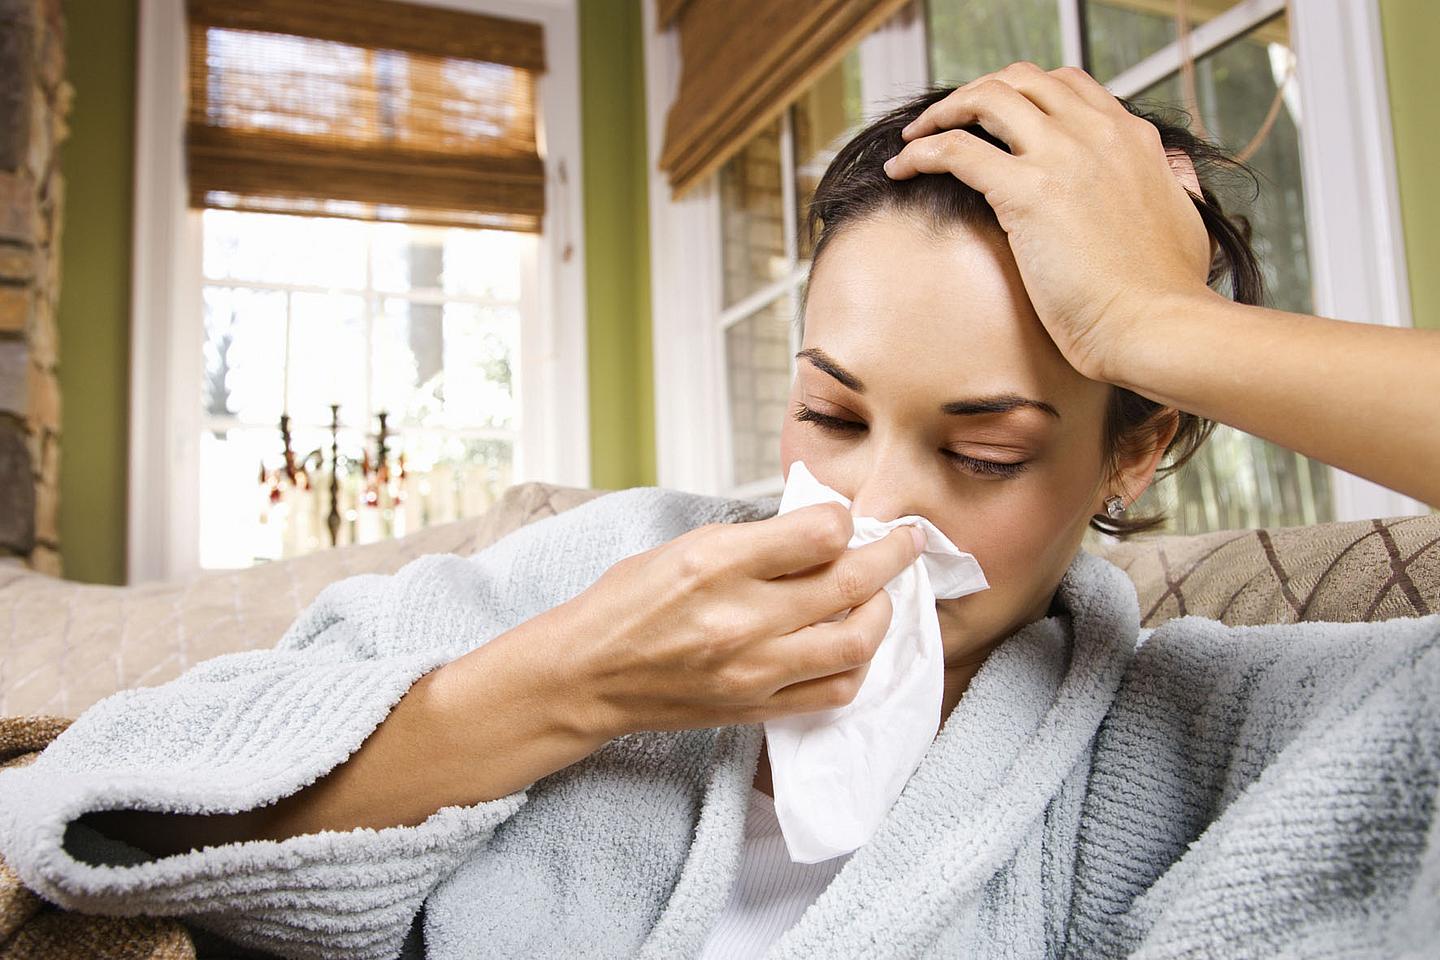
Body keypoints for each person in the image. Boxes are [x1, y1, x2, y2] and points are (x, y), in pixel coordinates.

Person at [0, 65, 1435, 960]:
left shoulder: (1195, 736)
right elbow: (103, 808)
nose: (875, 508)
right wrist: (573, 679)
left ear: (1138, 448)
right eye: (829, 413)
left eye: (984, 453)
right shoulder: (625, 565)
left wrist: (1153, 319)